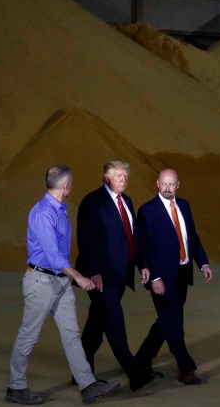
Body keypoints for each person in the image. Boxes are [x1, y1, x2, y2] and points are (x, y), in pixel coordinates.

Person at [7, 165, 121, 405]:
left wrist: (71, 277)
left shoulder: (60, 210)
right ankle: (15, 387)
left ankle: (88, 385)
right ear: (66, 186)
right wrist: (79, 277)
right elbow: (52, 255)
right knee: (28, 336)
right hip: (41, 283)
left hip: (60, 282)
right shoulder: (43, 213)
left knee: (72, 335)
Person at [74, 160, 154, 392]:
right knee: (115, 323)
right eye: (119, 176)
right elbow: (86, 240)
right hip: (101, 279)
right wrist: (95, 271)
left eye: (126, 176)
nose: (124, 179)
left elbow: (133, 237)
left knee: (95, 327)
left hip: (120, 276)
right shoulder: (93, 202)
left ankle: (79, 372)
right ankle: (134, 374)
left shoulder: (126, 201)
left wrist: (143, 265)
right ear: (106, 177)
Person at [135, 168, 214, 385]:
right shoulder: (148, 211)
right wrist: (154, 278)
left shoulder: (185, 206)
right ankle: (185, 368)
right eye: (163, 184)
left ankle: (141, 359)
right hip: (161, 277)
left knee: (166, 321)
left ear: (178, 184)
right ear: (157, 184)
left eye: (171, 184)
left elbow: (193, 238)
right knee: (174, 322)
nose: (167, 188)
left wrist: (203, 263)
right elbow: (144, 248)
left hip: (182, 274)